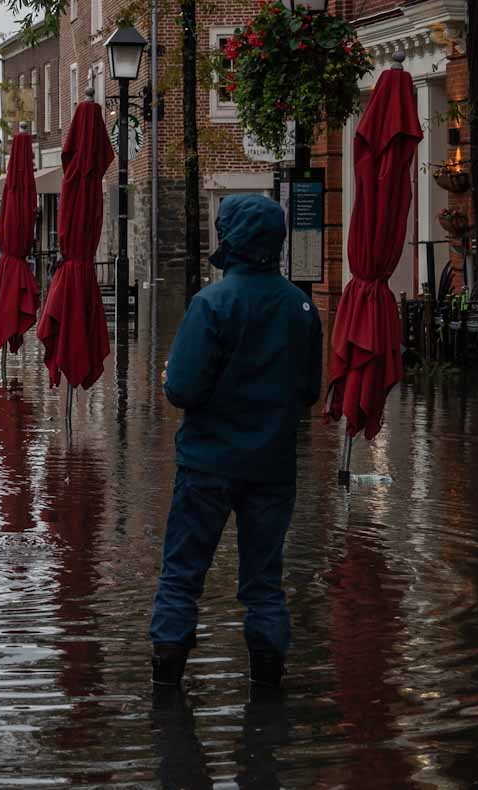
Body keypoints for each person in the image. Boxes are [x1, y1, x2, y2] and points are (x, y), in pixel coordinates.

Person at [151, 194, 322, 690]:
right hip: (272, 466)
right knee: (265, 584)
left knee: (183, 574)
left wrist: (169, 378)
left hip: (208, 465)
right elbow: (308, 391)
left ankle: (168, 693)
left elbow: (182, 388)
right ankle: (267, 690)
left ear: (229, 239)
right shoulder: (302, 307)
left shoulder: (213, 304)